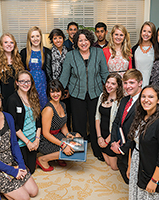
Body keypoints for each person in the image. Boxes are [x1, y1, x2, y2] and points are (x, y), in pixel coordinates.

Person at [0, 88, 38, 200]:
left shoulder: (8, 117)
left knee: (34, 192)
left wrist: (21, 166)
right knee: (25, 198)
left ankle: (12, 188)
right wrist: (13, 172)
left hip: (11, 161)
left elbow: (14, 144)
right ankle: (4, 191)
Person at [59, 29, 109, 161]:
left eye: (85, 40)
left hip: (96, 92)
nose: (83, 43)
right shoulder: (71, 55)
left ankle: (97, 150)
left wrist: (111, 89)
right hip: (77, 94)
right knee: (78, 123)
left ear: (90, 41)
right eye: (80, 40)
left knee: (95, 122)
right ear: (76, 42)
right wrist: (58, 91)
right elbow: (65, 76)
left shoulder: (98, 52)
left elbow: (104, 72)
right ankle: (78, 151)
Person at [127, 85, 159, 200]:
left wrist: (154, 180)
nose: (146, 100)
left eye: (151, 97)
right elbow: (133, 144)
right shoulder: (140, 116)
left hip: (152, 169)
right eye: (143, 96)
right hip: (137, 162)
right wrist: (130, 166)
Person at [37, 80, 81, 171]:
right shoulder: (49, 109)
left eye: (58, 91)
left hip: (57, 135)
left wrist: (68, 134)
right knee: (69, 147)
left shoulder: (63, 105)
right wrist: (63, 145)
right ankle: (42, 159)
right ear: (49, 93)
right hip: (46, 140)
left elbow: (63, 126)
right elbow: (45, 133)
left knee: (77, 137)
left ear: (61, 92)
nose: (55, 94)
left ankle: (59, 157)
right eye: (52, 91)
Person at [110, 69, 142, 184]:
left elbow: (137, 132)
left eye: (131, 83)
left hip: (134, 150)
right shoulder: (124, 100)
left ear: (140, 83)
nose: (128, 86)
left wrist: (122, 149)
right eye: (125, 83)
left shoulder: (143, 103)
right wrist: (113, 142)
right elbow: (116, 122)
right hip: (121, 146)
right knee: (126, 176)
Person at [6, 70, 41, 174]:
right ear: (17, 82)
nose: (25, 84)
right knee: (25, 172)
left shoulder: (33, 97)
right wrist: (28, 142)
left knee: (32, 170)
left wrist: (37, 140)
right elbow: (14, 126)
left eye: (28, 81)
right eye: (22, 81)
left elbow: (38, 121)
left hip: (33, 140)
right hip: (21, 142)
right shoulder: (12, 100)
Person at [95, 73, 124, 170]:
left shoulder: (120, 101)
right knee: (107, 163)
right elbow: (97, 117)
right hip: (101, 136)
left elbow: (119, 124)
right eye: (108, 82)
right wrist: (99, 137)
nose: (109, 85)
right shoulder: (102, 96)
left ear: (118, 86)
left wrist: (107, 140)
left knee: (114, 167)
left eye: (113, 84)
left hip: (112, 137)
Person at [20, 26, 51, 109]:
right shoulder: (24, 52)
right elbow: (21, 71)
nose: (35, 39)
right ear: (29, 38)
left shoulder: (47, 52)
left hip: (43, 85)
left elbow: (49, 71)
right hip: (28, 85)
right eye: (32, 36)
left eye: (37, 36)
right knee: (30, 108)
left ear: (41, 37)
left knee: (43, 108)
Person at [48, 28, 72, 130]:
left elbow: (72, 71)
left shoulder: (69, 52)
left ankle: (68, 132)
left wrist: (67, 88)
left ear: (63, 38)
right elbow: (48, 71)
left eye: (60, 38)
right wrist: (54, 88)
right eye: (55, 38)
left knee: (68, 111)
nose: (58, 40)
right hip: (55, 88)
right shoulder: (48, 53)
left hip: (67, 88)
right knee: (56, 111)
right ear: (52, 40)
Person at [0, 33, 24, 108]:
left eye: (11, 42)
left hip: (18, 94)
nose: (9, 45)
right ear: (1, 45)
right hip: (3, 95)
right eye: (6, 42)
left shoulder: (18, 57)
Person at [132, 21, 156, 87]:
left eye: (149, 32)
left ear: (152, 34)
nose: (146, 34)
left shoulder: (156, 49)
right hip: (137, 82)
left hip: (151, 83)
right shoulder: (134, 49)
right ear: (141, 32)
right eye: (144, 31)